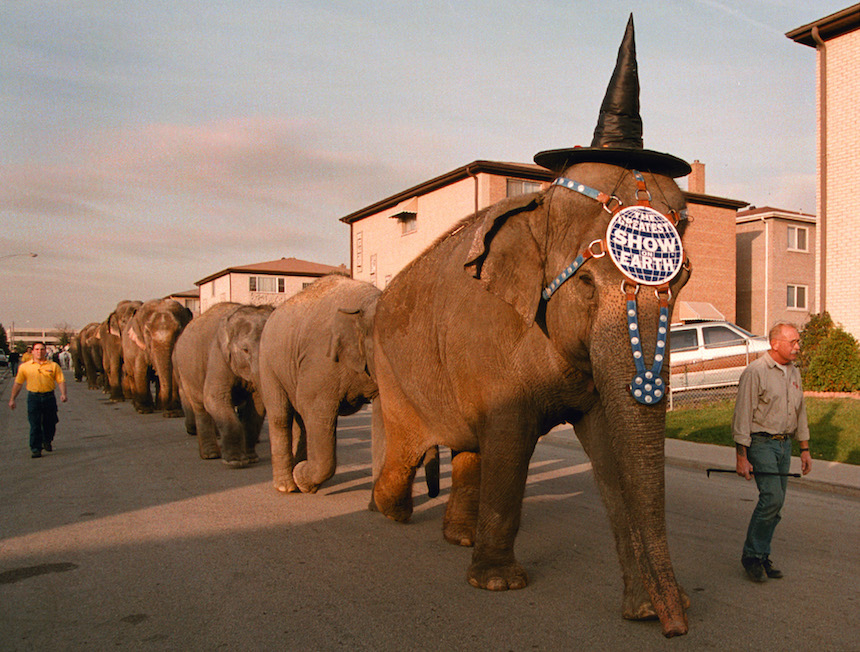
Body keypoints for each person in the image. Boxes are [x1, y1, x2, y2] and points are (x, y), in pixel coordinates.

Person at [732, 322, 812, 582]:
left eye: (798, 341)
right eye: (793, 342)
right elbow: (742, 415)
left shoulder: (794, 372)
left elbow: (800, 412)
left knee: (777, 505)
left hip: (784, 444)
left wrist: (805, 448)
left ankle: (762, 553)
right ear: (774, 344)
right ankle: (751, 555)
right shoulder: (756, 372)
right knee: (772, 499)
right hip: (761, 442)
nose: (798, 347)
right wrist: (741, 456)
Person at [8, 342, 68, 458]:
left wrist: (63, 394)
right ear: (33, 351)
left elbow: (60, 381)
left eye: (41, 349)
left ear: (45, 351)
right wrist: (12, 399)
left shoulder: (53, 366)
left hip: (49, 397)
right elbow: (18, 384)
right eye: (36, 349)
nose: (39, 352)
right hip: (34, 398)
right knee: (35, 424)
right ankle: (36, 448)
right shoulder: (25, 367)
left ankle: (47, 440)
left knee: (50, 422)